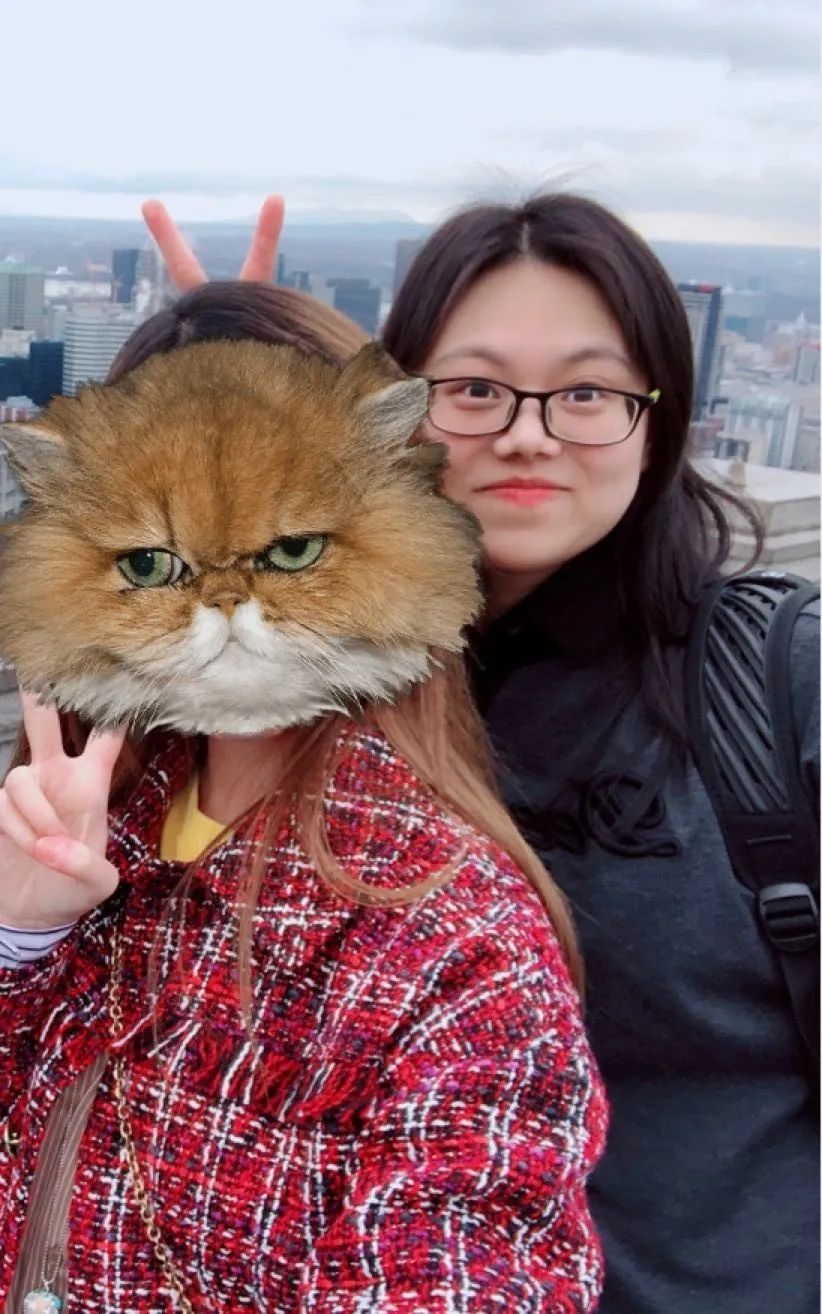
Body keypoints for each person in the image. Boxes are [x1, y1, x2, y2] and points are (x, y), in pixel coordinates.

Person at [145, 192, 819, 1314]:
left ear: (657, 420)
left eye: (589, 393)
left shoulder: (778, 682)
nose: (528, 435)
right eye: (473, 389)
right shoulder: (297, 686)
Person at [0, 283, 607, 1313]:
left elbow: (461, 1256)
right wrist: (20, 939)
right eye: (152, 562)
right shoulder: (92, 816)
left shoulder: (456, 946)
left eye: (291, 548)